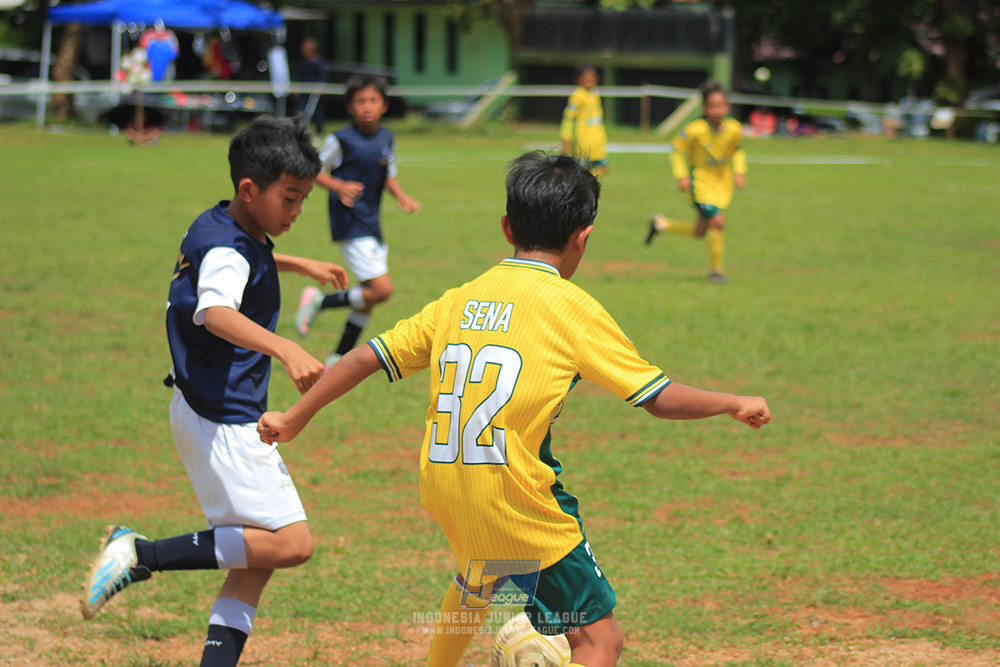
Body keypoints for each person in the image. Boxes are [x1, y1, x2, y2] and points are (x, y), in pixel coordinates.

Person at [259, 151, 771, 667]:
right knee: (600, 640)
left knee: (479, 574)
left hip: (446, 481)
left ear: (507, 228)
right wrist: (732, 402)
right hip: (514, 493)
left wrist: (294, 415)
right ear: (583, 237)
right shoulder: (572, 307)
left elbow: (366, 356)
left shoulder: (459, 297)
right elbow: (657, 398)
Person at [80, 116, 348, 667]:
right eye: (290, 198)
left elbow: (237, 260)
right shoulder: (232, 251)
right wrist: (286, 347)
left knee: (254, 562)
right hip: (226, 419)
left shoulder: (221, 223)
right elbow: (216, 309)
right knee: (292, 543)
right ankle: (140, 555)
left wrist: (298, 264)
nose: (297, 211)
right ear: (250, 189)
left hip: (205, 408)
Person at [294, 74, 420, 368]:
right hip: (349, 221)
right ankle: (319, 302)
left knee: (369, 297)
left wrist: (401, 196)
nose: (367, 106)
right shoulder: (341, 140)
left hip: (372, 221)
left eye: (373, 100)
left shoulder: (387, 138)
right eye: (360, 101)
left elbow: (389, 174)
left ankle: (338, 356)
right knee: (381, 290)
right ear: (350, 106)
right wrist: (338, 186)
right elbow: (313, 169)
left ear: (384, 105)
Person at [645, 81, 747, 283]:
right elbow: (677, 149)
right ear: (704, 108)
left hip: (721, 185)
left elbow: (737, 150)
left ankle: (661, 225)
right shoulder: (695, 130)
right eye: (712, 106)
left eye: (720, 106)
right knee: (717, 222)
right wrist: (681, 175)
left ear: (727, 107)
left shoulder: (734, 129)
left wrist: (740, 171)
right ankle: (716, 271)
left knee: (700, 231)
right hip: (699, 186)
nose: (716, 110)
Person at [560, 64, 608, 178]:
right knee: (579, 173)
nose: (590, 81)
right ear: (578, 79)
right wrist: (566, 139)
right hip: (583, 143)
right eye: (586, 78)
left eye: (592, 77)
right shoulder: (577, 96)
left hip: (597, 143)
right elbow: (568, 119)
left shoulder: (595, 94)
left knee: (602, 168)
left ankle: (586, 187)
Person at [295, 36, 328, 135]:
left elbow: (323, 77)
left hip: (314, 93)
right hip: (304, 92)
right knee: (301, 111)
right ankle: (300, 130)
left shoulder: (318, 63)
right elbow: (300, 77)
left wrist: (320, 89)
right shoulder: (303, 63)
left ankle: (319, 132)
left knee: (317, 113)